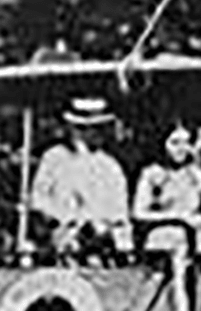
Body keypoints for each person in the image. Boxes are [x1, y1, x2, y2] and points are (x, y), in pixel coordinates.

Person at [29, 96, 131, 257]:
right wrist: (65, 219)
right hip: (63, 240)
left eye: (99, 128)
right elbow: (38, 199)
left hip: (102, 242)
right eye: (88, 129)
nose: (97, 134)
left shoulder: (110, 166)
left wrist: (102, 226)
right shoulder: (54, 158)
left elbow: (119, 212)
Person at [132, 122, 201, 253]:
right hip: (161, 243)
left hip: (189, 244)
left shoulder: (194, 175)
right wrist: (178, 217)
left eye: (186, 142)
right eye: (175, 143)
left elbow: (198, 214)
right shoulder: (152, 174)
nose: (181, 148)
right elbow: (138, 213)